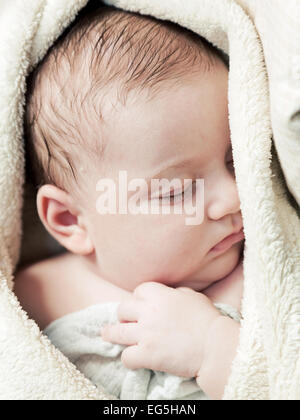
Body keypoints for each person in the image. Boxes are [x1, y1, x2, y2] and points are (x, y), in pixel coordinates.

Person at [14, 3, 245, 400]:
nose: (233, 198)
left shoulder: (253, 283)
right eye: (175, 190)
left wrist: (214, 349)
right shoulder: (32, 297)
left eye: (235, 162)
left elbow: (280, 377)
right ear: (71, 220)